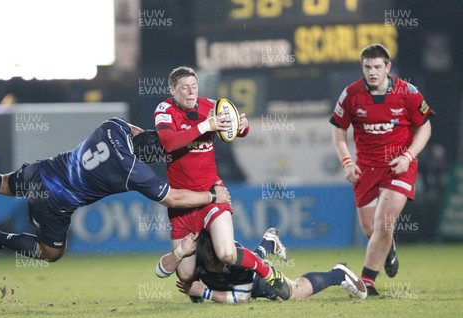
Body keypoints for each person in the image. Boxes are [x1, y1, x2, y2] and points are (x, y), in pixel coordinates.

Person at [0, 117, 231, 264]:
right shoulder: (133, 170)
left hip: (44, 170)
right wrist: (212, 196)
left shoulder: (114, 127)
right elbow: (173, 197)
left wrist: (162, 137)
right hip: (56, 203)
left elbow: (139, 133)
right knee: (51, 252)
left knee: (3, 182)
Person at [153, 66, 290, 299]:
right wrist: (206, 126)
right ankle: (261, 249)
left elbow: (238, 130)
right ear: (172, 89)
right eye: (184, 87)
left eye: (194, 86)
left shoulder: (211, 106)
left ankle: (268, 272)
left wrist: (242, 126)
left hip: (213, 194)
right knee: (185, 275)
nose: (190, 92)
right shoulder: (165, 110)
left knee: (226, 253)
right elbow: (168, 142)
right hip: (182, 203)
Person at [330, 43, 434, 296]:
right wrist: (347, 161)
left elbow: (425, 126)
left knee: (384, 220)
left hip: (398, 166)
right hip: (365, 169)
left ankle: (367, 281)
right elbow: (338, 130)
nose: (372, 72)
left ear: (388, 67)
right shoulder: (351, 95)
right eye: (367, 67)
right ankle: (390, 247)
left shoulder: (407, 93)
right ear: (362, 67)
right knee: (372, 230)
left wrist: (409, 156)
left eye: (378, 67)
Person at [157, 229, 367, 303]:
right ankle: (269, 241)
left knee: (294, 292)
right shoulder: (195, 253)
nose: (223, 265)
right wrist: (179, 253)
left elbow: (242, 298)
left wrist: (204, 293)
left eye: (223, 262)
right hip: (231, 279)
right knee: (254, 258)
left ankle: (338, 275)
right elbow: (160, 270)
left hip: (256, 282)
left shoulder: (236, 262)